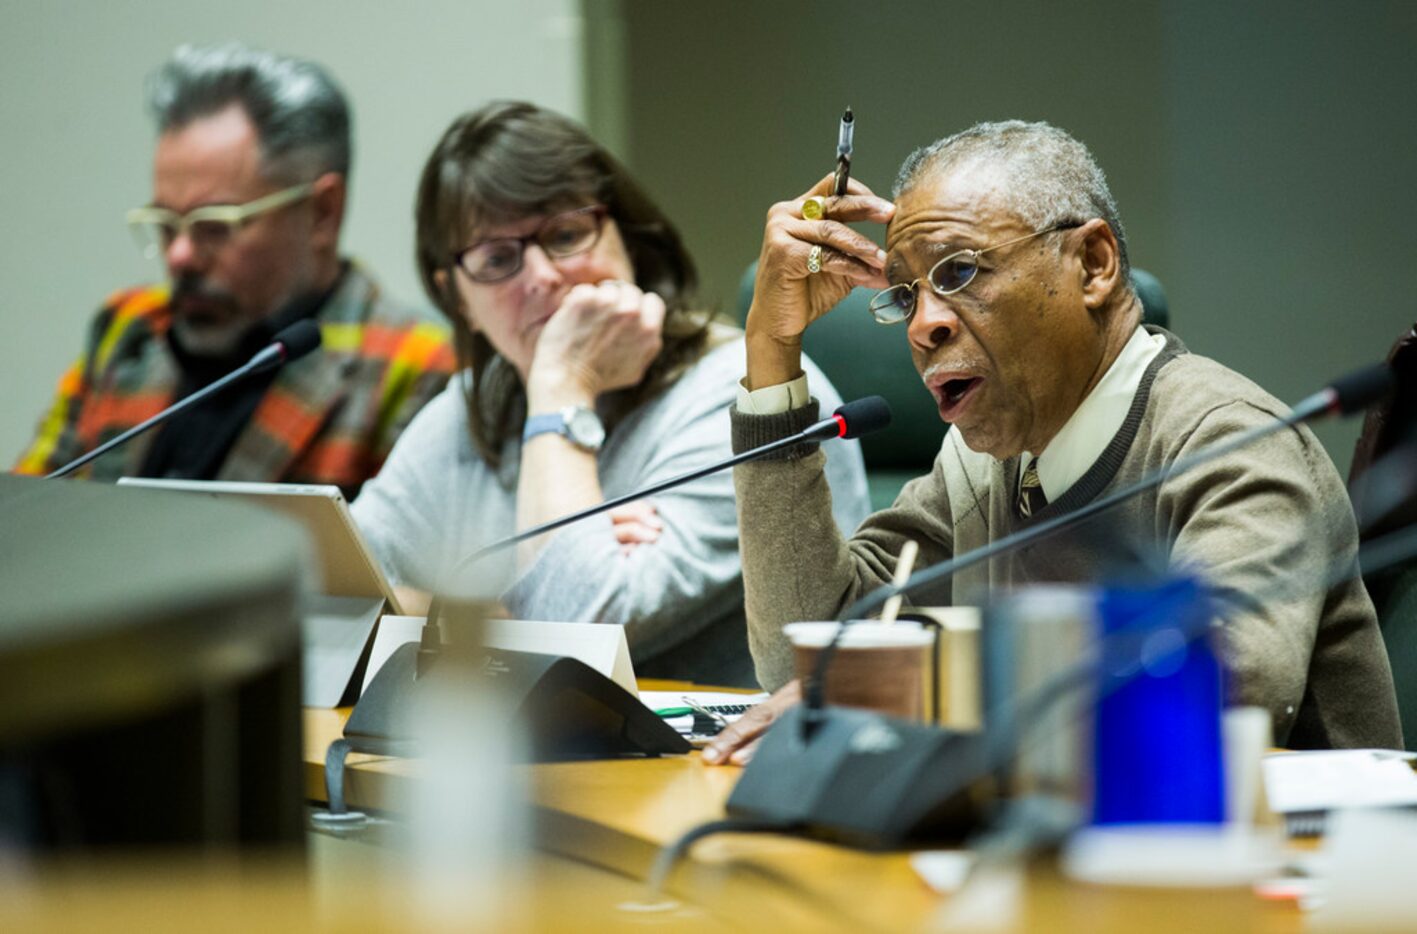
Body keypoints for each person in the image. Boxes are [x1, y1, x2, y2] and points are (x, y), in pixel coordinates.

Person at [706, 120, 1399, 760]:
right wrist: (771, 353)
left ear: (1093, 264)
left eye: (958, 272)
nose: (924, 325)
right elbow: (814, 644)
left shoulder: (1230, 439)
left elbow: (1223, 686)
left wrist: (912, 686)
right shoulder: (982, 465)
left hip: (1289, 876)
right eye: (905, 293)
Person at [350, 101, 870, 687]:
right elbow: (336, 599)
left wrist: (561, 388)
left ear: (628, 237)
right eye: (498, 259)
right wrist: (503, 618)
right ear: (457, 300)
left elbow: (575, 632)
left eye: (567, 235)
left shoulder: (748, 397)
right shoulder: (476, 402)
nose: (542, 277)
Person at [14, 43, 453, 496]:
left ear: (322, 212)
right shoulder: (127, 327)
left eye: (215, 226)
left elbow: (402, 566)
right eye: (165, 224)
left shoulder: (418, 367)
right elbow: (26, 519)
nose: (179, 255)